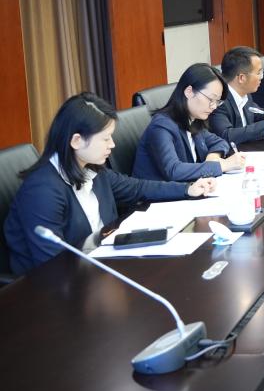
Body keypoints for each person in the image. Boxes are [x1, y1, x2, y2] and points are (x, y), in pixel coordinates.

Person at [4, 93, 215, 275]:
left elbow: (137, 188)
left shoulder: (92, 170)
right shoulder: (42, 191)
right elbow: (53, 266)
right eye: (105, 139)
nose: (112, 145)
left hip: (102, 266)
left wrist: (188, 189)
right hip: (55, 291)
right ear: (76, 141)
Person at [134, 63, 247, 182]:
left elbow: (219, 142)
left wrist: (213, 157)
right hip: (158, 192)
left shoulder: (193, 119)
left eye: (217, 101)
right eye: (211, 99)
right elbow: (173, 171)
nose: (214, 106)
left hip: (189, 188)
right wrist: (221, 165)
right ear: (189, 92)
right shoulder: (161, 126)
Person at [209, 46, 264, 145]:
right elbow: (226, 135)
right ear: (242, 78)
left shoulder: (245, 94)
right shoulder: (219, 100)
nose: (261, 77)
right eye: (258, 73)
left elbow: (255, 113)